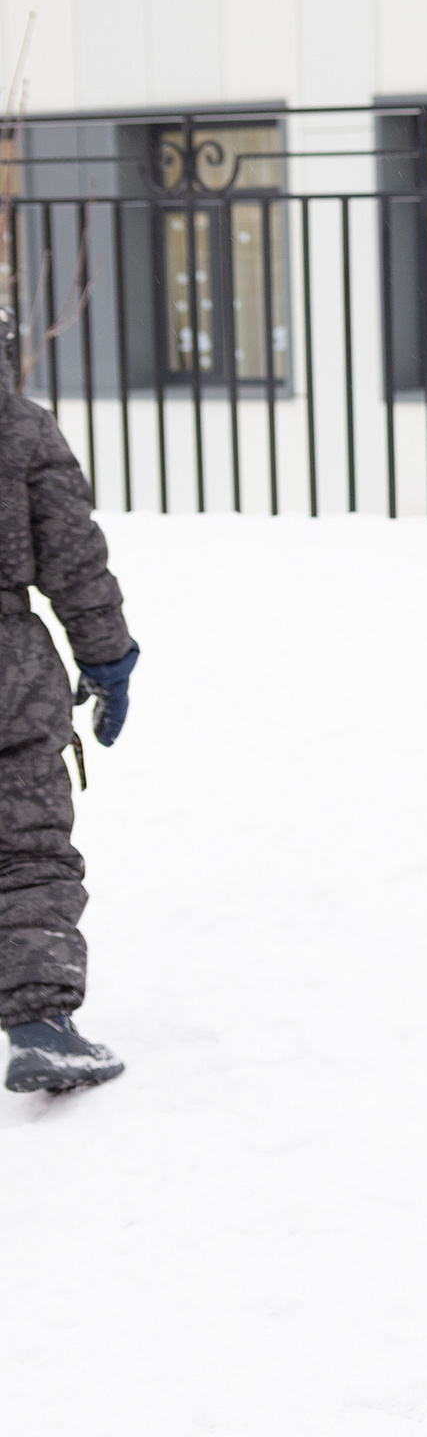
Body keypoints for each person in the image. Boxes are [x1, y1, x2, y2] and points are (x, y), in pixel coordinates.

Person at [0, 312, 138, 1097]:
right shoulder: (20, 428)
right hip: (8, 674)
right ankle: (42, 1025)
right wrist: (108, 659)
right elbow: (73, 555)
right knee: (25, 848)